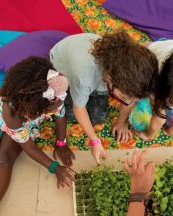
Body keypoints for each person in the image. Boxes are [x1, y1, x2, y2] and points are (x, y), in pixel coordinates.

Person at [0, 57, 75, 210]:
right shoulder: (12, 114)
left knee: (3, 160)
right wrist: (55, 167)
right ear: (38, 106)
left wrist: (61, 143)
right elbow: (29, 147)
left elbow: (60, 116)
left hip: (25, 122)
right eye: (53, 106)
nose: (61, 103)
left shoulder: (55, 93)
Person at [50, 31, 158, 163]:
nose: (130, 103)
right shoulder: (84, 76)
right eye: (125, 96)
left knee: (98, 117)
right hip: (64, 69)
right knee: (69, 112)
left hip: (94, 75)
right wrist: (95, 141)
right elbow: (79, 108)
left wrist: (121, 123)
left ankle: (92, 94)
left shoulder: (129, 65)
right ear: (109, 78)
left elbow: (131, 98)